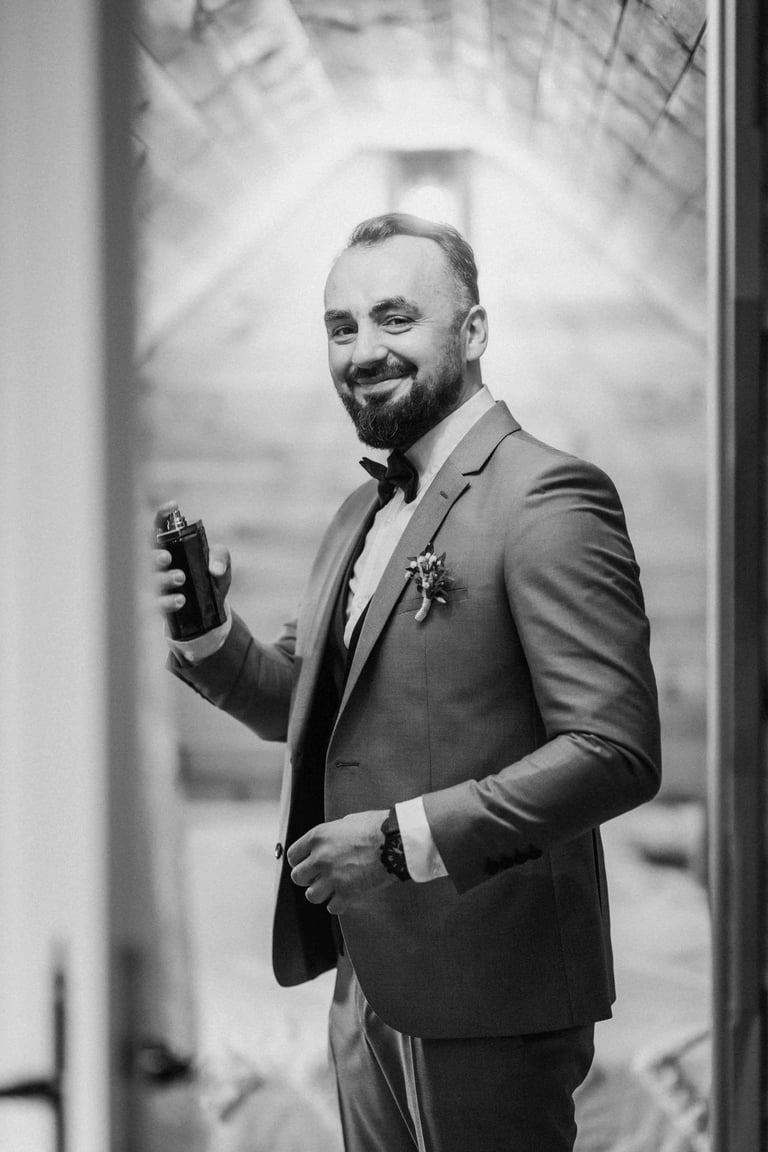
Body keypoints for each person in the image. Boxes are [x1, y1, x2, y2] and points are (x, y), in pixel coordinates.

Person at [156, 213, 661, 1152]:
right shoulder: (361, 510)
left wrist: (395, 843)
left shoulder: (549, 495)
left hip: (491, 982)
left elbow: (614, 751)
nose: (363, 351)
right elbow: (314, 708)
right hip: (365, 972)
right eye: (340, 327)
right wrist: (210, 634)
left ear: (472, 331)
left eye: (395, 318)